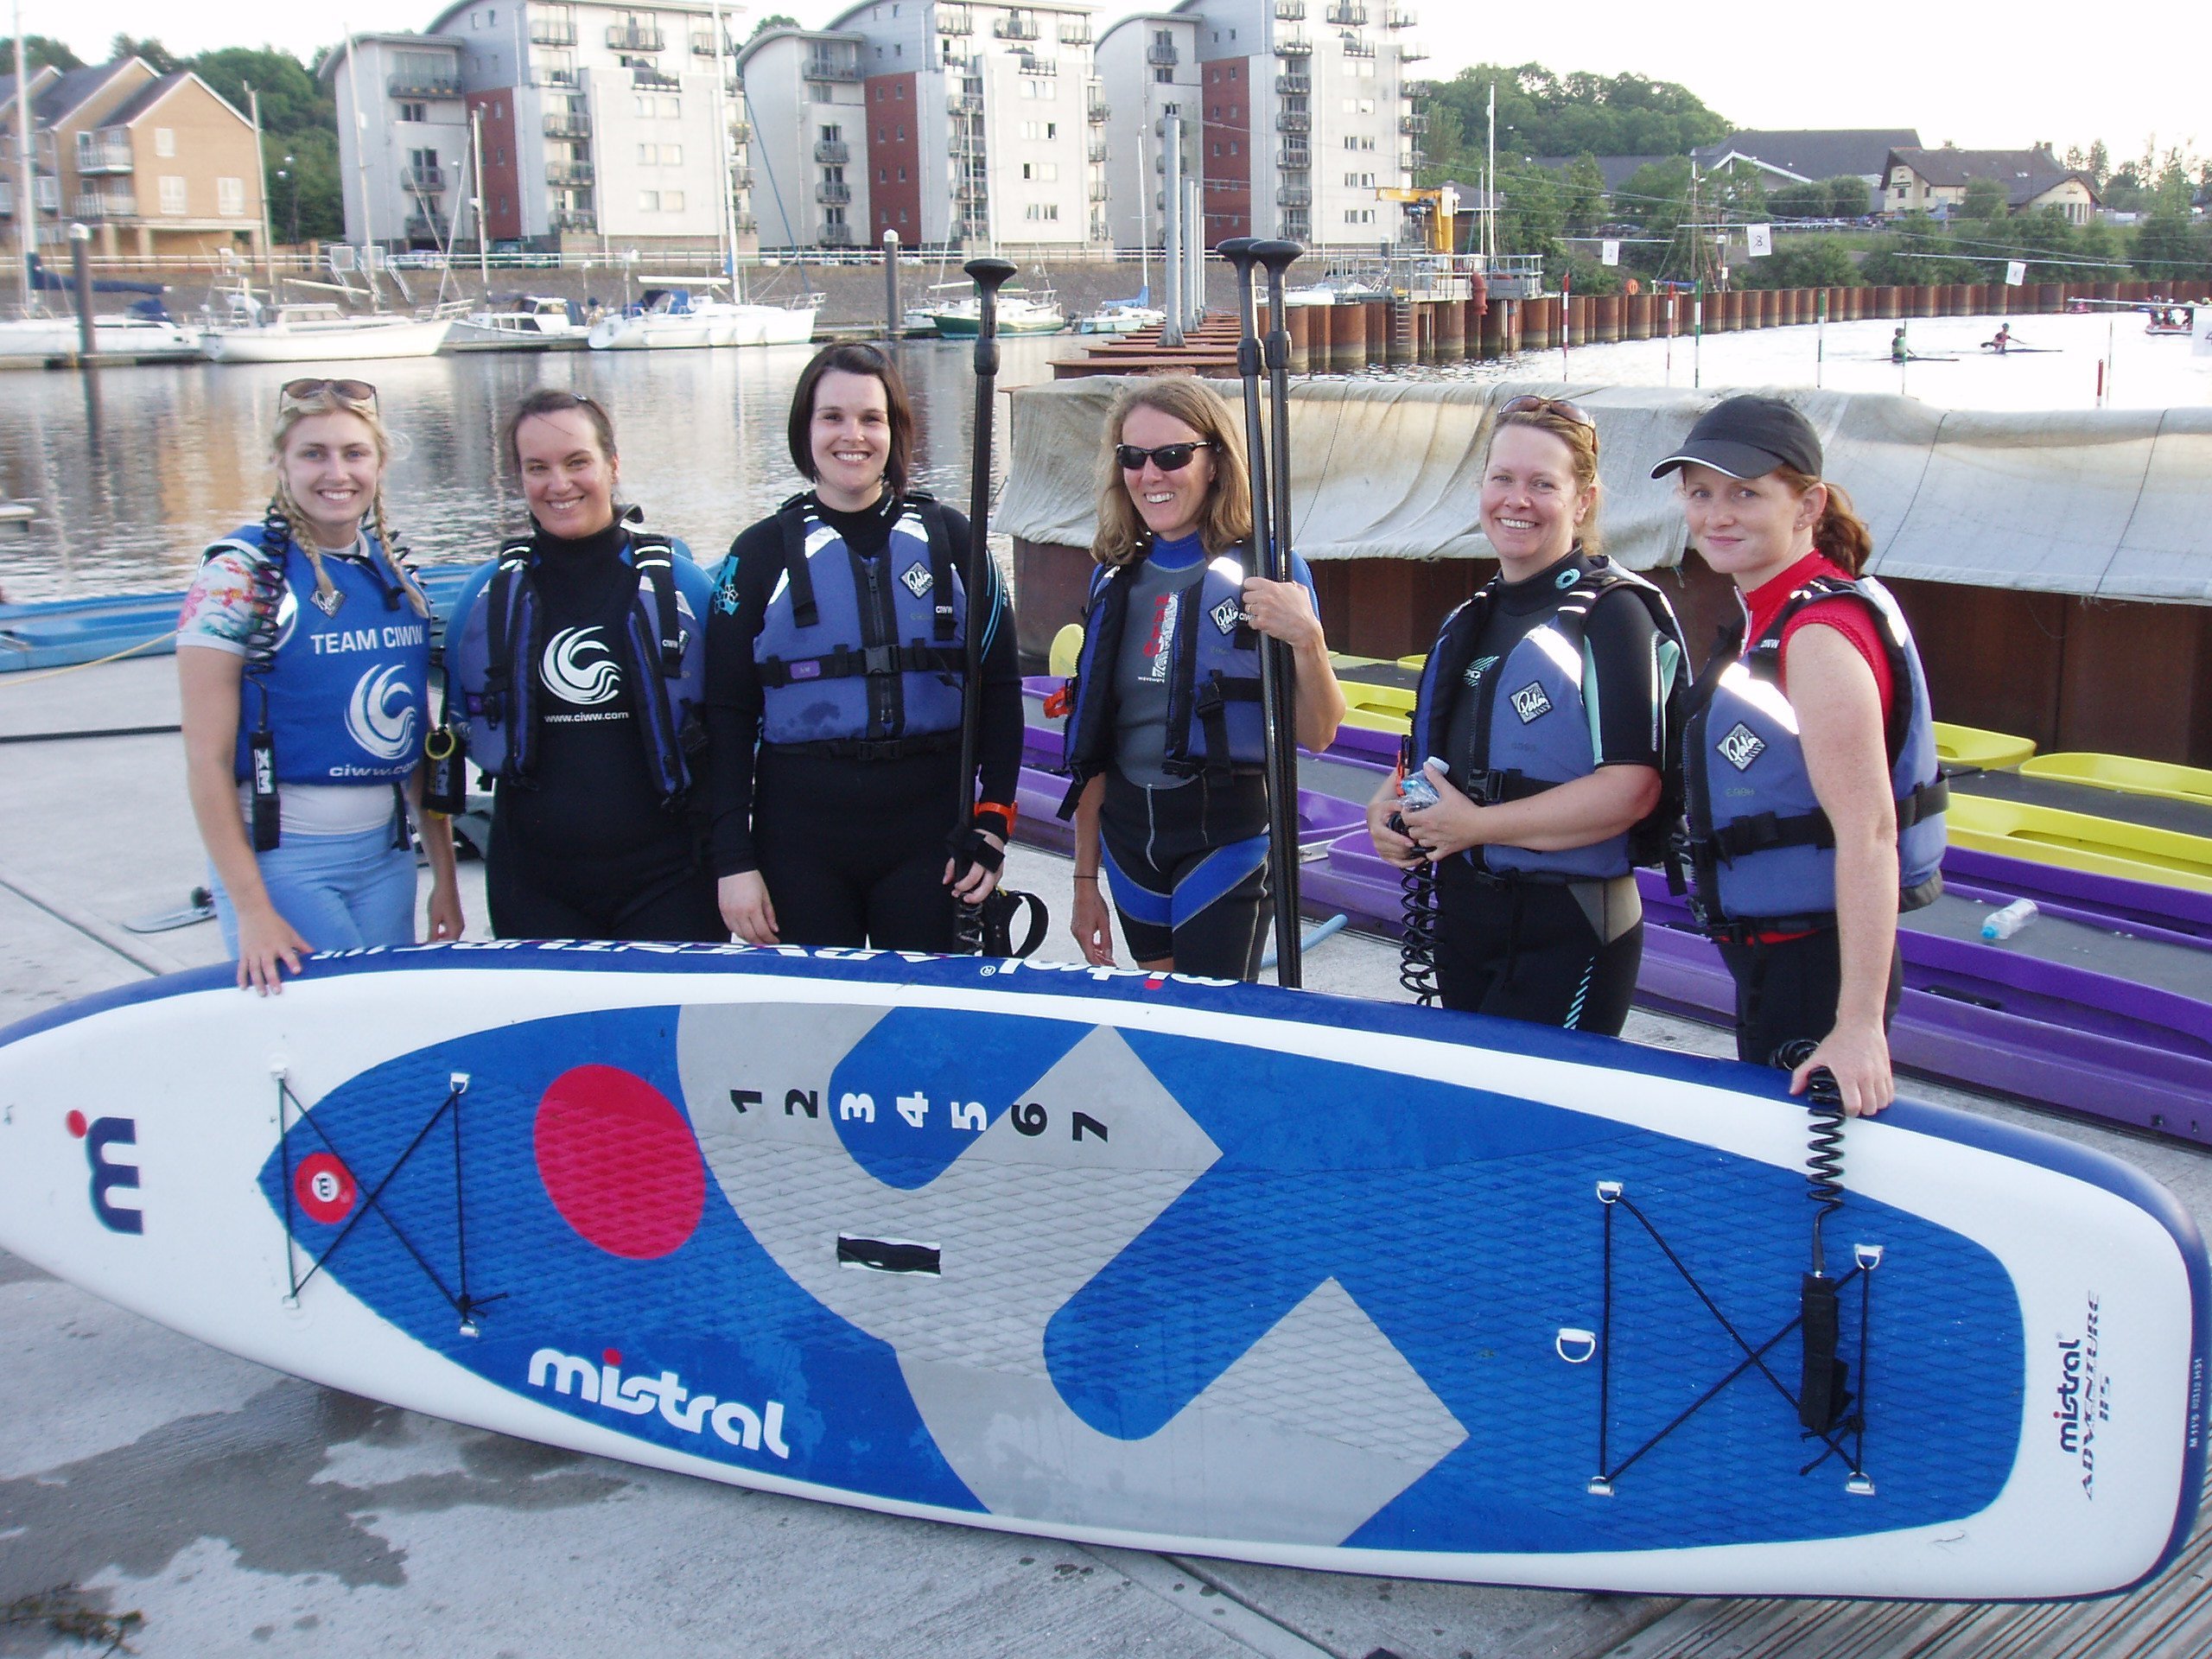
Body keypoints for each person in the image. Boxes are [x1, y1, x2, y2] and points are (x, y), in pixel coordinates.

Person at [1652, 395, 1948, 1116]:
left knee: (1806, 1186)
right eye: (1700, 494)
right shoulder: (1773, 616)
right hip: (1776, 957)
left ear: (1808, 503)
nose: (1717, 515)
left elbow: (1871, 831)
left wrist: (1855, 1027)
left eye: (1746, 494)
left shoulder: (1817, 635)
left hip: (1816, 964)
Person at [1364, 395, 1686, 1035]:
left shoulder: (1614, 616)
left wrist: (1477, 825)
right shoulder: (1471, 619)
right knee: (1475, 1124)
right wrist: (1391, 802)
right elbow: (1438, 755)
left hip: (1568, 927)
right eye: (1502, 479)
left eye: (1543, 484)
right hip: (1465, 920)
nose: (1517, 500)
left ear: (1583, 500)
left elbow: (1632, 789)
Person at [708, 343, 1021, 951]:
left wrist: (995, 822)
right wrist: (732, 861)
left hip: (931, 842)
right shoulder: (758, 555)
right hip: (799, 843)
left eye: (871, 418)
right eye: (832, 417)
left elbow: (1002, 693)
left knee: (926, 1024)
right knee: (821, 1032)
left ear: (895, 430)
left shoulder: (954, 540)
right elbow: (724, 717)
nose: (852, 436)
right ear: (806, 428)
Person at [177, 378, 461, 994]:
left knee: (386, 1031)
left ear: (379, 464)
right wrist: (251, 909)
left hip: (386, 860)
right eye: (314, 454)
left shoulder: (395, 575)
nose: (337, 472)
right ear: (281, 462)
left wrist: (445, 877)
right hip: (286, 864)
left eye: (354, 453)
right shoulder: (237, 576)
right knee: (326, 1036)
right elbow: (204, 761)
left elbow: (418, 741)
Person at [1057, 378, 1345, 978]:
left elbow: (1317, 735)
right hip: (1129, 841)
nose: (1150, 475)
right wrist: (1086, 881)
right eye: (1133, 458)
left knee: (1210, 1019)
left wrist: (1307, 638)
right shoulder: (1113, 578)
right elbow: (1093, 749)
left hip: (1226, 837)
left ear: (1215, 461)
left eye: (1171, 456)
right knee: (1162, 1015)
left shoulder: (1272, 570)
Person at [444, 390, 721, 941]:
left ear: (612, 466)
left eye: (577, 463)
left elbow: (737, 731)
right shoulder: (486, 598)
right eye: (537, 468)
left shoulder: (682, 588)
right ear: (518, 477)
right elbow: (454, 732)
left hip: (671, 877)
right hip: (535, 882)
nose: (559, 484)